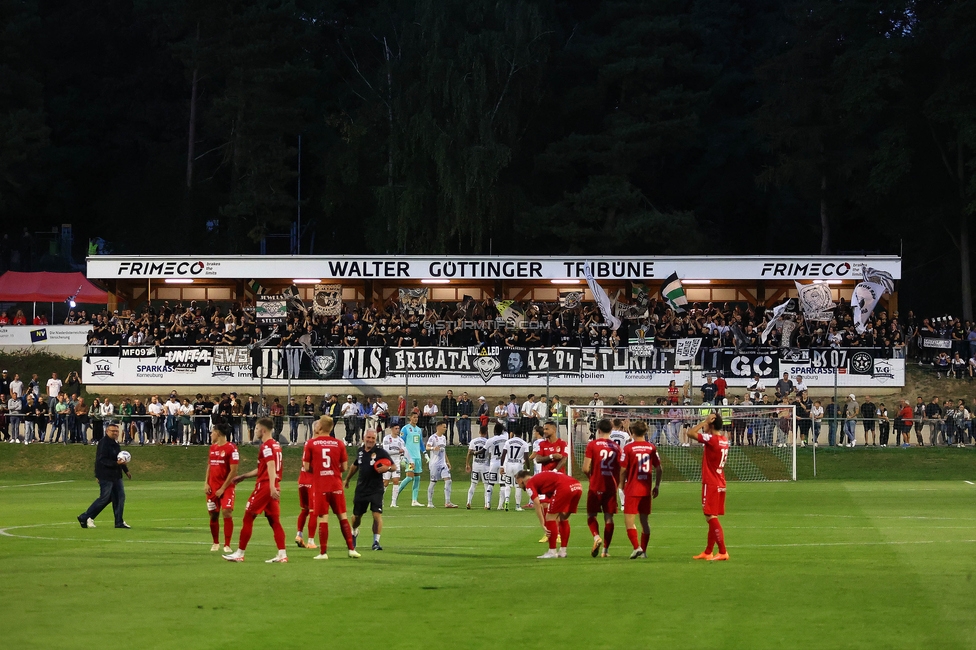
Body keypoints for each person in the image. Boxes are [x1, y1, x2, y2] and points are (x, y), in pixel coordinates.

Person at [223, 417, 288, 563]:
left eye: (257, 428)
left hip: (266, 486)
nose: (256, 431)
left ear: (263, 430)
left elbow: (270, 466)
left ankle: (240, 553)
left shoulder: (265, 446)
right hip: (274, 485)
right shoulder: (276, 445)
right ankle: (282, 554)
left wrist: (270, 486)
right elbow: (263, 468)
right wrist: (244, 476)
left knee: (248, 516)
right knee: (274, 520)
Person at [300, 416, 359, 560]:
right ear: (331, 428)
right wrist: (332, 470)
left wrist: (320, 470)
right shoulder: (339, 444)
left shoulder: (311, 444)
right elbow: (344, 467)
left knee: (323, 518)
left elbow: (306, 467)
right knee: (342, 517)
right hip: (336, 484)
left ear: (319, 427)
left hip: (321, 485)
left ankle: (323, 552)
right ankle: (351, 549)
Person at [687, 413, 730, 561]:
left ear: (711, 425)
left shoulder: (712, 439)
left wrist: (703, 422)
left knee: (710, 516)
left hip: (711, 482)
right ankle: (708, 551)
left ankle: (723, 551)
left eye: (707, 424)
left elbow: (690, 433)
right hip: (720, 481)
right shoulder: (724, 440)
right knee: (713, 516)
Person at [618, 420, 662, 559]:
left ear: (632, 432)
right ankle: (644, 551)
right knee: (644, 521)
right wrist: (657, 486)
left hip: (632, 488)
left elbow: (623, 469)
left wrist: (621, 485)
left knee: (629, 521)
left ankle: (637, 547)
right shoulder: (651, 447)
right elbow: (659, 468)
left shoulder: (628, 448)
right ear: (646, 432)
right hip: (646, 489)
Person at [344, 429, 393, 551]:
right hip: (361, 489)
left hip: (376, 489)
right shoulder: (360, 451)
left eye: (373, 438)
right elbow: (355, 466)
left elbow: (393, 466)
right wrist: (347, 479)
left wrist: (387, 468)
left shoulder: (380, 452)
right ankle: (354, 531)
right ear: (363, 438)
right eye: (368, 437)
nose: (370, 440)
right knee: (356, 517)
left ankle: (376, 541)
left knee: (377, 515)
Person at [516, 469, 582, 559]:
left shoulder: (529, 484)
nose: (519, 486)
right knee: (562, 518)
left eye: (518, 483)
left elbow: (537, 503)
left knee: (550, 517)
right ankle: (563, 551)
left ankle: (552, 551)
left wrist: (542, 524)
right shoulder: (540, 479)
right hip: (577, 486)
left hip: (564, 487)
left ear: (520, 480)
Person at [77, 422, 131, 530]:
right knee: (104, 498)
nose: (115, 433)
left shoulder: (115, 443)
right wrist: (114, 465)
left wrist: (126, 470)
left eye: (117, 431)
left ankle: (119, 522)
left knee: (119, 497)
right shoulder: (103, 443)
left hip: (116, 475)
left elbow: (119, 459)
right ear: (107, 431)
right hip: (106, 475)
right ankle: (85, 516)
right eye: (113, 431)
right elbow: (101, 460)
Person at [582, 418, 620, 559]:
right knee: (609, 517)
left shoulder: (593, 445)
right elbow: (621, 467)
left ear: (598, 430)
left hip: (596, 484)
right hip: (611, 485)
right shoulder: (616, 447)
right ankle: (605, 550)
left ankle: (596, 537)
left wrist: (591, 477)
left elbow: (585, 468)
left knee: (592, 515)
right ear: (611, 430)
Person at [205, 423, 238, 552]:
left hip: (226, 488)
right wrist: (206, 483)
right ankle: (215, 543)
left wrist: (223, 488)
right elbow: (209, 466)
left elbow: (233, 471)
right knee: (213, 514)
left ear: (218, 433)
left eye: (212, 432)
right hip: (212, 488)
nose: (211, 434)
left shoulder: (232, 448)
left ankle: (227, 545)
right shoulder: (212, 448)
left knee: (226, 511)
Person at [294, 419, 320, 551]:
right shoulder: (317, 444)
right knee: (313, 511)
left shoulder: (307, 443)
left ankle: (299, 534)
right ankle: (310, 540)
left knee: (304, 510)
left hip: (301, 480)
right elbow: (309, 465)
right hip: (311, 481)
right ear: (317, 429)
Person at [425, 420, 458, 508]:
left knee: (448, 481)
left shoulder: (443, 437)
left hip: (443, 463)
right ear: (438, 427)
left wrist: (447, 461)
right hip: (434, 464)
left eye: (446, 427)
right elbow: (427, 447)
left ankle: (447, 502)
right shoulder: (433, 437)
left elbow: (444, 451)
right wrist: (433, 448)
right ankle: (430, 502)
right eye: (444, 427)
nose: (445, 428)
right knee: (433, 482)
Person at [395, 412, 424, 507]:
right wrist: (403, 456)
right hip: (410, 457)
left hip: (417, 457)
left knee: (417, 477)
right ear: (410, 418)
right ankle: (395, 494)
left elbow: (421, 443)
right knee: (409, 477)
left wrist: (425, 454)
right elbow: (401, 442)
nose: (416, 419)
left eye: (417, 417)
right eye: (414, 417)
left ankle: (414, 500)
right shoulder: (405, 428)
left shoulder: (419, 430)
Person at [499, 426, 530, 511]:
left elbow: (503, 455)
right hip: (518, 465)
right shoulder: (524, 443)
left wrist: (502, 466)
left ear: (514, 433)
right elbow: (526, 457)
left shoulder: (508, 442)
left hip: (508, 464)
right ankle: (517, 506)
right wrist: (528, 469)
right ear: (521, 434)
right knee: (518, 486)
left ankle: (507, 500)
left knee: (507, 484)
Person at [465, 424, 491, 509]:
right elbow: (490, 454)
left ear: (479, 432)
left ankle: (468, 502)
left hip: (476, 466)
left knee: (473, 484)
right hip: (485, 466)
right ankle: (487, 504)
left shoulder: (473, 441)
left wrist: (467, 464)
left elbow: (469, 453)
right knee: (486, 485)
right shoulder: (488, 442)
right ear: (486, 433)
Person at [381, 423, 406, 506]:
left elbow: (403, 452)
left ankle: (393, 502)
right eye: (396, 428)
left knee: (396, 481)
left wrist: (403, 459)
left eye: (398, 428)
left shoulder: (401, 441)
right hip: (387, 462)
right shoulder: (386, 439)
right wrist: (398, 451)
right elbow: (386, 451)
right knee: (385, 482)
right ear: (391, 429)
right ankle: (380, 499)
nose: (398, 430)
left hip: (397, 463)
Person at [485, 423, 509, 509]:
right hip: (503, 464)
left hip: (493, 463)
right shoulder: (506, 439)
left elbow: (484, 450)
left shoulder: (490, 440)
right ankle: (500, 505)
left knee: (490, 483)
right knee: (502, 484)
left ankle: (487, 504)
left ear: (494, 430)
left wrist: (475, 453)